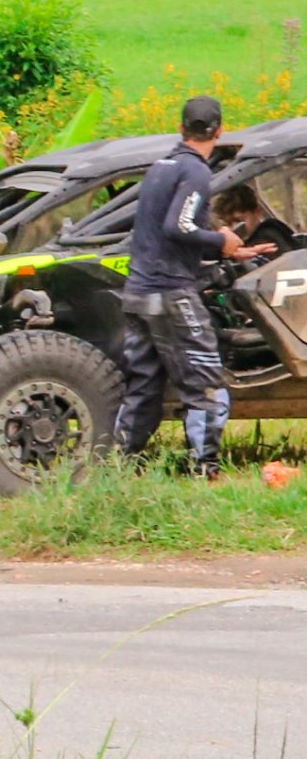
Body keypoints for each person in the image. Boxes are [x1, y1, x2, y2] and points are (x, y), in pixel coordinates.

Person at [118, 97, 271, 480]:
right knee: (204, 379)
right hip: (170, 293)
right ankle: (206, 468)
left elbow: (160, 231)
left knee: (143, 384)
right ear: (219, 130)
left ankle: (116, 466)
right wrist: (221, 241)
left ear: (182, 127)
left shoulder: (160, 167)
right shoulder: (195, 172)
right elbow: (179, 226)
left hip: (138, 291)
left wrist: (229, 248)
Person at [217, 182, 299, 255]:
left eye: (239, 221)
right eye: (227, 224)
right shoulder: (231, 249)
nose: (234, 229)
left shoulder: (267, 236)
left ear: (257, 212)